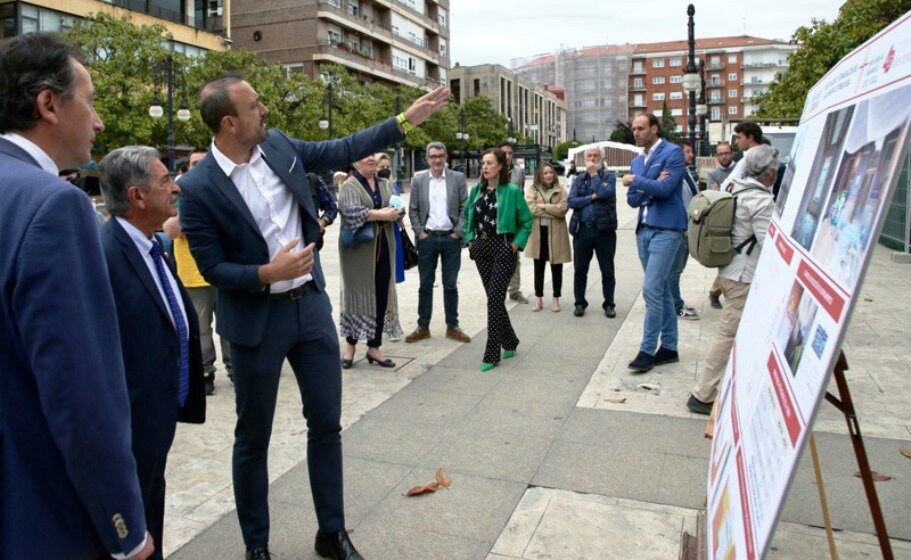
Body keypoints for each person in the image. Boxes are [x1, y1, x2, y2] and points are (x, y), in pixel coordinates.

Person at [178, 71, 449, 560]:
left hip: (310, 310)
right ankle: (256, 546)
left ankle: (332, 533)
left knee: (326, 424)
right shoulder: (197, 187)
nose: (265, 111)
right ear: (228, 122)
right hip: (255, 324)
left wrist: (405, 120)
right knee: (252, 437)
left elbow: (340, 146)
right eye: (254, 105)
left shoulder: (279, 146)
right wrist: (266, 271)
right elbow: (211, 265)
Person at [0, 32, 153, 559]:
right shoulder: (53, 207)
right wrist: (125, 526)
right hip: (40, 512)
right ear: (48, 104)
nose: (98, 121)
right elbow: (81, 391)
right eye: (88, 102)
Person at [98, 146, 207, 559]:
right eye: (165, 180)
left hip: (155, 419)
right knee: (133, 528)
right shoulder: (106, 255)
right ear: (137, 197)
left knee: (150, 511)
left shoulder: (150, 244)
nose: (175, 186)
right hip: (131, 423)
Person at [686, 146, 778, 415]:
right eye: (775, 169)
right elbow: (769, 244)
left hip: (728, 269)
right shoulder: (761, 200)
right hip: (743, 276)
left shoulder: (735, 185)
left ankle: (739, 384)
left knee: (739, 332)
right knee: (727, 334)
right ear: (769, 172)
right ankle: (702, 394)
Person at [164, 148, 232, 395]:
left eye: (203, 162)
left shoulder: (225, 189)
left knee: (228, 324)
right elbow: (171, 230)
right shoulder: (179, 194)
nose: (198, 167)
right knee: (200, 328)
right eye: (193, 163)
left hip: (224, 270)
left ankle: (235, 368)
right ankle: (205, 373)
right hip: (192, 275)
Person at [623, 113, 687, 374]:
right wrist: (651, 183)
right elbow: (632, 200)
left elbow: (666, 189)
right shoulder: (638, 160)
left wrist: (639, 181)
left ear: (654, 128)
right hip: (644, 230)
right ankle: (670, 347)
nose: (636, 133)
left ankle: (647, 350)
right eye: (633, 129)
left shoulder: (673, 153)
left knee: (651, 289)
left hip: (667, 229)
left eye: (640, 128)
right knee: (662, 292)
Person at [463, 147, 534, 372]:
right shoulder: (476, 190)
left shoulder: (512, 191)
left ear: (501, 166)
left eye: (490, 163)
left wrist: (515, 244)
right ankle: (510, 341)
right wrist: (469, 240)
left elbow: (526, 221)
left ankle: (492, 353)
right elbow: (467, 216)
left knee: (494, 300)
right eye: (483, 163)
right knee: (494, 299)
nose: (485, 166)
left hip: (503, 247)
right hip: (482, 247)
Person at [338, 153, 403, 368]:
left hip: (384, 245)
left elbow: (397, 205)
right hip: (358, 251)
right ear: (355, 162)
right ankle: (350, 345)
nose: (371, 159)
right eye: (365, 156)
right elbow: (351, 212)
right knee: (357, 294)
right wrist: (383, 215)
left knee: (381, 294)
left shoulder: (385, 183)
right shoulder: (349, 185)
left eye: (373, 155)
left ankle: (374, 347)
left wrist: (397, 211)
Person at [404, 141, 471, 343]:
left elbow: (465, 208)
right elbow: (413, 209)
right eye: (433, 156)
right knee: (425, 284)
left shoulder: (457, 178)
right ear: (427, 159)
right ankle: (423, 326)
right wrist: (419, 232)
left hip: (451, 239)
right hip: (428, 239)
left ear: (446, 157)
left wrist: (458, 232)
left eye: (441, 155)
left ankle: (453, 326)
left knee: (450, 285)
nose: (437, 160)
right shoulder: (419, 180)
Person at [710, 123, 765, 309]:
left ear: (750, 137)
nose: (737, 141)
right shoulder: (761, 155)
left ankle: (717, 291)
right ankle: (716, 291)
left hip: (749, 216)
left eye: (739, 137)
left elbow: (725, 187)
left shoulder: (748, 159)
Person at [567, 147, 618, 318]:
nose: (592, 158)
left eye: (596, 155)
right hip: (583, 231)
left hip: (604, 232)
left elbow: (604, 192)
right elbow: (572, 202)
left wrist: (595, 175)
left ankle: (609, 304)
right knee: (580, 270)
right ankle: (580, 303)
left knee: (607, 271)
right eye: (589, 155)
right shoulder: (579, 179)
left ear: (602, 158)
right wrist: (591, 197)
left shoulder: (610, 177)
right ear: (584, 158)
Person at [525, 162, 571, 312]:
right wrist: (553, 210)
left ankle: (556, 299)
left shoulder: (561, 189)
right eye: (545, 173)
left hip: (556, 233)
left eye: (551, 172)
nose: (549, 175)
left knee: (556, 267)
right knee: (539, 268)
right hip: (538, 234)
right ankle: (538, 299)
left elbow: (562, 210)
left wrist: (544, 206)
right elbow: (532, 209)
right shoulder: (532, 189)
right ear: (540, 174)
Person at [667, 141, 700, 322]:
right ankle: (675, 306)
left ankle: (675, 302)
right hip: (679, 230)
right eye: (688, 152)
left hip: (687, 230)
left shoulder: (686, 173)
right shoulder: (674, 175)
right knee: (674, 271)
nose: (691, 155)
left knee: (677, 271)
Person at [498, 140, 529, 304]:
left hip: (513, 222)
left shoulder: (519, 172)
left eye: (510, 153)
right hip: (495, 221)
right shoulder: (492, 169)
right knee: (496, 257)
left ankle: (515, 292)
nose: (507, 156)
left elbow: (521, 195)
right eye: (504, 153)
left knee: (514, 256)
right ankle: (497, 292)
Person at [375, 152, 406, 293]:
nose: (385, 169)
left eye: (388, 166)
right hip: (377, 230)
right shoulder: (372, 186)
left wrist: (400, 212)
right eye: (382, 166)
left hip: (393, 228)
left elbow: (400, 205)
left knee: (392, 272)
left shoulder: (392, 185)